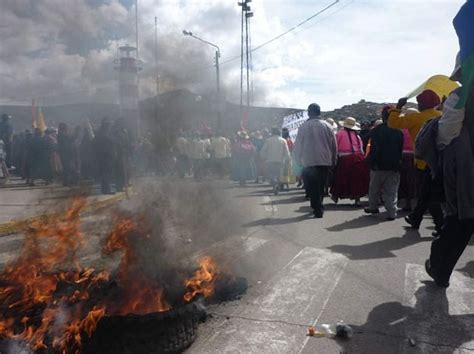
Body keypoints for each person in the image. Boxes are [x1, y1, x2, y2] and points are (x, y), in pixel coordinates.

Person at [426, 51, 474, 288]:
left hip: (467, 172)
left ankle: (440, 267)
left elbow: (447, 134)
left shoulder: (459, 97)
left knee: (461, 220)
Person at [388, 90, 444, 234]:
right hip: (440, 161)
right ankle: (415, 218)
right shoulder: (441, 116)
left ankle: (441, 226)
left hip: (423, 162)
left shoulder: (416, 118)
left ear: (422, 104)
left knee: (430, 194)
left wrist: (398, 107)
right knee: (425, 192)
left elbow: (392, 123)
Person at [294, 103, 337, 218]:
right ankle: (319, 206)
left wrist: (297, 159)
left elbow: (298, 145)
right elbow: (334, 145)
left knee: (312, 186)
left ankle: (317, 207)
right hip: (324, 161)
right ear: (319, 112)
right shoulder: (328, 126)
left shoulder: (303, 127)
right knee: (321, 185)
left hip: (309, 161)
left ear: (309, 113)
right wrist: (333, 160)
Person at [364, 107, 404, 220]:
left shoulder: (377, 130)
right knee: (391, 190)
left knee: (374, 188)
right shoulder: (399, 131)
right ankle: (392, 212)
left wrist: (372, 161)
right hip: (394, 165)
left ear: (383, 116)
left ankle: (373, 207)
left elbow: (373, 148)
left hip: (378, 165)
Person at [331, 117, 369, 206]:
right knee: (357, 180)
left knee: (339, 178)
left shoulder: (339, 134)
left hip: (344, 158)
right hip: (357, 157)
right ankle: (357, 199)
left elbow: (335, 147)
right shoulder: (357, 136)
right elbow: (361, 149)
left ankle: (335, 196)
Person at [260, 127, 290, 195]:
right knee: (279, 175)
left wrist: (264, 158)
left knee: (272, 175)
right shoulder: (283, 140)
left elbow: (262, 151)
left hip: (270, 161)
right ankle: (277, 186)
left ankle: (274, 186)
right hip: (280, 161)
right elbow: (287, 152)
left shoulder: (268, 140)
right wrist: (287, 159)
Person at [94, 118, 116, 194]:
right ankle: (106, 190)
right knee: (106, 174)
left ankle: (105, 190)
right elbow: (108, 143)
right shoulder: (103, 134)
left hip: (104, 157)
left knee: (105, 174)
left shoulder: (102, 133)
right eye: (109, 125)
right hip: (105, 157)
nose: (109, 126)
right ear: (106, 125)